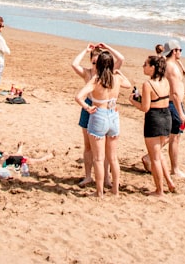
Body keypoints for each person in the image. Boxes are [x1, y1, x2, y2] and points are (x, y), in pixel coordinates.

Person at [75, 49, 126, 197]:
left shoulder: (96, 80)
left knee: (98, 158)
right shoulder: (116, 78)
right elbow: (128, 85)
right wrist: (119, 73)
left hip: (99, 114)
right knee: (113, 157)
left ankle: (99, 192)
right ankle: (115, 190)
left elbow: (79, 96)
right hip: (113, 115)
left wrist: (87, 107)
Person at [131, 53, 176, 196]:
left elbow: (145, 107)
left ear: (153, 67)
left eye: (146, 64)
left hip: (154, 119)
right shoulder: (166, 82)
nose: (143, 66)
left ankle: (159, 190)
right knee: (159, 154)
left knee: (155, 157)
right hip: (166, 116)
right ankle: (169, 182)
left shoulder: (147, 84)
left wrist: (133, 101)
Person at [162, 39, 185, 178]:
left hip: (174, 103)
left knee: (173, 135)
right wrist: (181, 113)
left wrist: (180, 64)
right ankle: (175, 169)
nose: (180, 52)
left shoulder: (169, 64)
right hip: (174, 104)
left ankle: (149, 157)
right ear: (174, 51)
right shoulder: (171, 68)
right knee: (175, 138)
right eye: (180, 50)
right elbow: (174, 92)